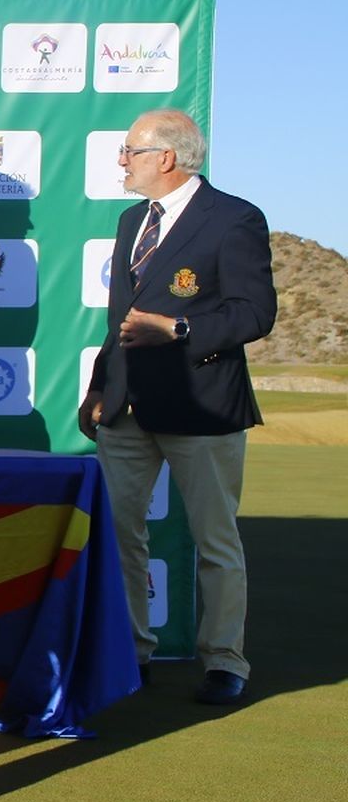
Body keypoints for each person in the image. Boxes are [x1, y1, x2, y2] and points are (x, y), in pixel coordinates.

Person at [79, 109, 275, 705]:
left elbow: (254, 312)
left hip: (203, 407)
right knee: (119, 536)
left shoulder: (234, 218)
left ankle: (224, 661)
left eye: (130, 150)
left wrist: (180, 329)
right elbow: (122, 320)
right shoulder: (132, 220)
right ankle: (132, 652)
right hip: (127, 407)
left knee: (215, 541)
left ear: (165, 157)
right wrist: (98, 386)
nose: (121, 160)